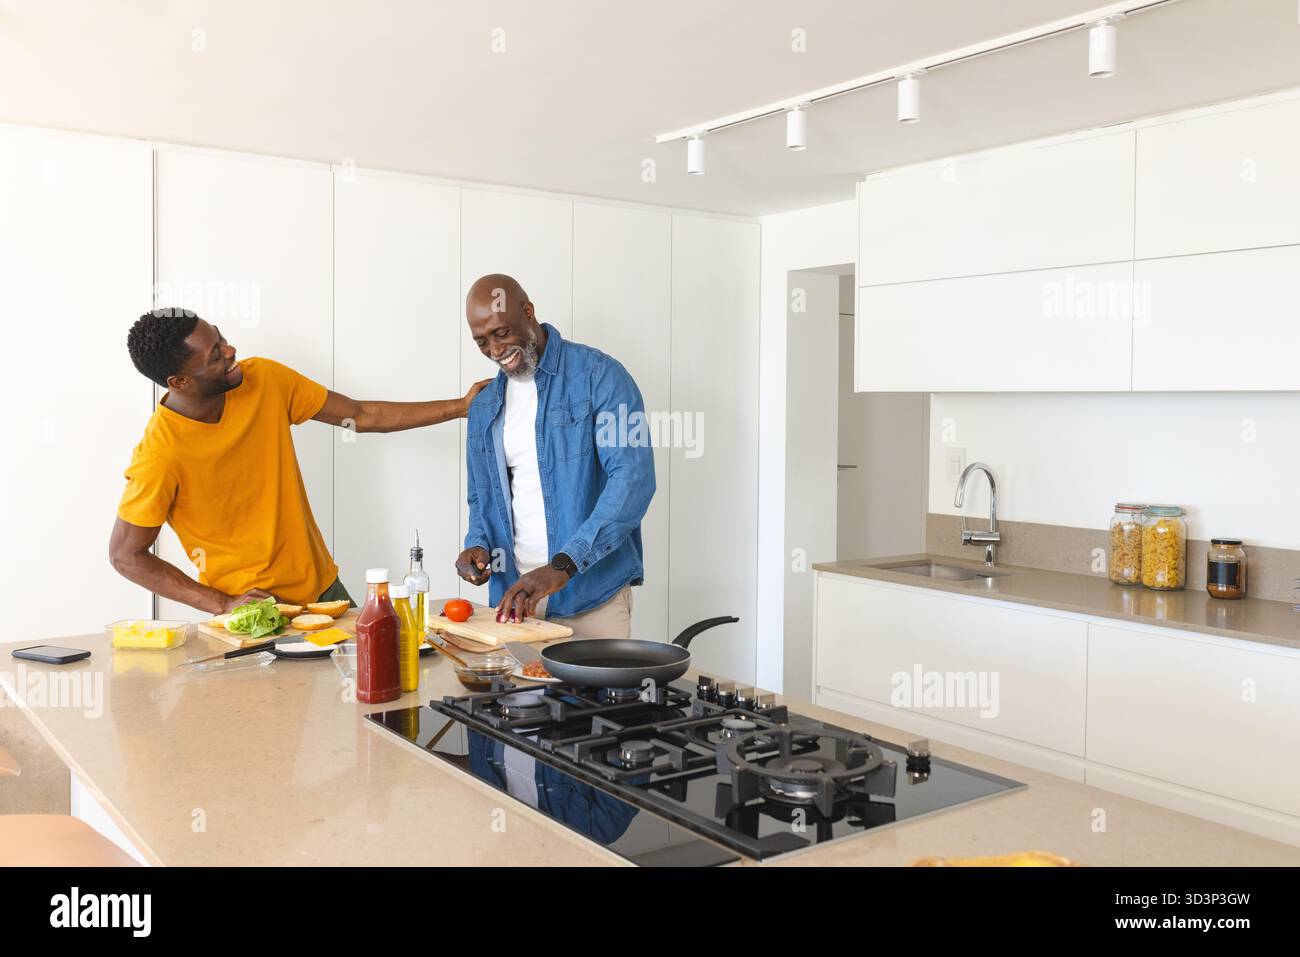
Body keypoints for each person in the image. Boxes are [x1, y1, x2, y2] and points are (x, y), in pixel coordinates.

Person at [109, 308, 488, 614]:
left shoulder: (265, 379)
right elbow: (126, 555)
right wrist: (221, 603)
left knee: (365, 696)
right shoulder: (160, 454)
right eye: (214, 355)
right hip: (257, 612)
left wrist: (460, 407)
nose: (230, 350)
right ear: (180, 382)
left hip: (326, 593)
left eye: (221, 338)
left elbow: (362, 414)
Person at [454, 274, 655, 639]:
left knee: (597, 699)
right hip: (515, 604)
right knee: (518, 697)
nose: (496, 351)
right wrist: (477, 543)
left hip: (591, 599)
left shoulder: (601, 376)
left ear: (528, 312)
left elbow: (633, 481)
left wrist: (562, 566)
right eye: (482, 342)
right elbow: (480, 496)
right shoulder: (484, 407)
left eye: (501, 333)